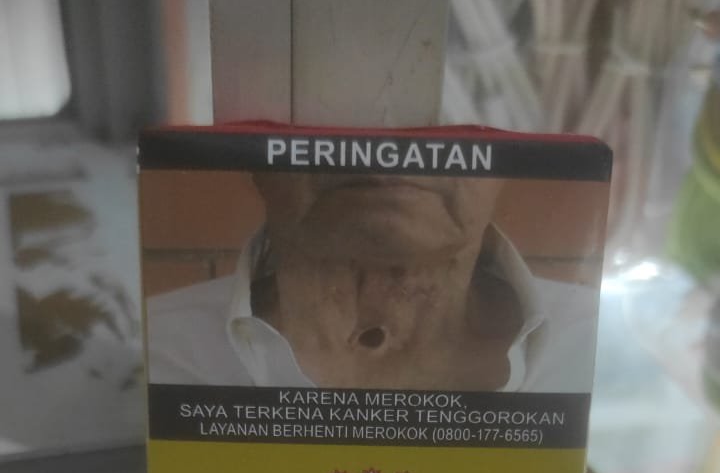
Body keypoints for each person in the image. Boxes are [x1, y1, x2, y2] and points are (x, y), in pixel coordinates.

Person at [147, 172, 599, 393]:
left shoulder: (603, 351)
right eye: (331, 103)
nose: (390, 139)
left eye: (449, 112)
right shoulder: (152, 352)